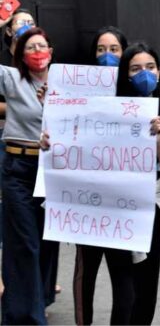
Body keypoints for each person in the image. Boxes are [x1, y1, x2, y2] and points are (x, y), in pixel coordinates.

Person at [115, 42, 160, 325]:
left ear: (159, 71)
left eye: (150, 67)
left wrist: (158, 145)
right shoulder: (111, 112)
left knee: (146, 289)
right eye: (136, 68)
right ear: (126, 75)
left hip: (150, 206)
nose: (144, 74)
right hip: (115, 207)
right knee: (124, 291)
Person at [72, 26, 132, 325]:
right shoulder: (77, 93)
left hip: (121, 203)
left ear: (124, 53)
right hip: (87, 201)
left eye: (114, 50)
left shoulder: (136, 94)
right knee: (86, 274)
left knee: (123, 275)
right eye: (100, 50)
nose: (107, 56)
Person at [0, 27, 59, 324]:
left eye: (42, 46)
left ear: (51, 50)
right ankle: (27, 317)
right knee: (25, 242)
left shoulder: (65, 84)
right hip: (17, 169)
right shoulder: (12, 79)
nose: (37, 52)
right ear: (20, 54)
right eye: (30, 47)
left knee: (48, 240)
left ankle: (40, 299)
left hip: (51, 170)